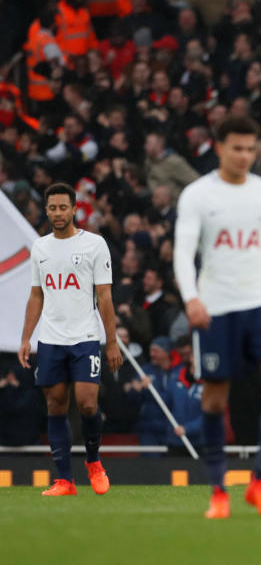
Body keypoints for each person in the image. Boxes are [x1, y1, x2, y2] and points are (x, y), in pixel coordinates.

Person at [173, 114, 261, 519]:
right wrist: (191, 297)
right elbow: (182, 251)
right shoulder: (197, 194)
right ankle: (217, 491)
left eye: (251, 149)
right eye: (237, 148)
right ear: (220, 148)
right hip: (216, 309)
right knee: (215, 399)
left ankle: (260, 482)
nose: (245, 156)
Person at [17, 182, 122, 496]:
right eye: (52, 207)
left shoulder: (94, 245)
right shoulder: (40, 247)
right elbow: (36, 295)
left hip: (85, 336)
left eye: (63, 207)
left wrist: (112, 341)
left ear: (74, 209)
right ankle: (64, 480)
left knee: (88, 404)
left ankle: (93, 461)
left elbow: (104, 296)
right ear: (47, 210)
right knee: (55, 404)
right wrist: (26, 338)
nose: (58, 213)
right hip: (51, 339)